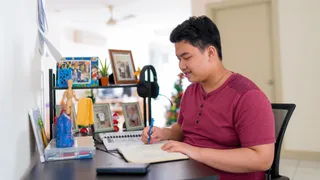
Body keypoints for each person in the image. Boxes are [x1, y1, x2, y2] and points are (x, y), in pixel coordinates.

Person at [141, 16, 275, 180]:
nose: (181, 66)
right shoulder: (191, 91)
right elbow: (183, 130)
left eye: (187, 57)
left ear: (210, 52)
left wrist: (195, 152)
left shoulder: (248, 96)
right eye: (179, 59)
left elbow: (263, 159)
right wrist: (163, 133)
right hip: (187, 171)